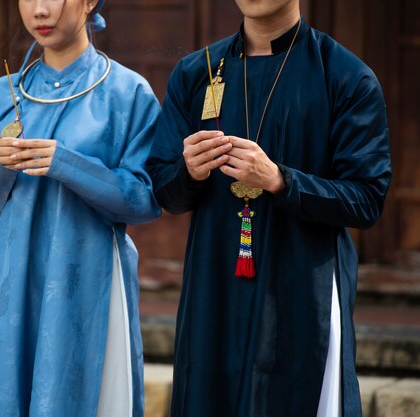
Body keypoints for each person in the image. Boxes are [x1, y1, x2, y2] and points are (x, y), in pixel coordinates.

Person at [146, 0, 391, 416]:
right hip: (214, 284)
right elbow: (165, 191)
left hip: (299, 287)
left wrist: (280, 180)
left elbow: (367, 199)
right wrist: (189, 171)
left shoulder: (345, 76)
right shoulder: (197, 72)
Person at [0, 0, 161, 415]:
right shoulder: (3, 94)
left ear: (88, 2)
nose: (40, 10)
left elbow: (147, 198)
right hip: (12, 277)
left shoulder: (127, 93)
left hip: (90, 276)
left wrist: (67, 163)